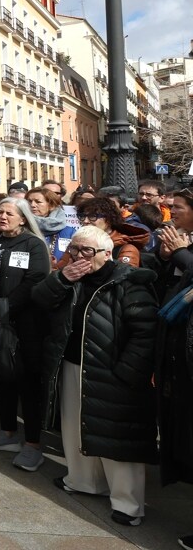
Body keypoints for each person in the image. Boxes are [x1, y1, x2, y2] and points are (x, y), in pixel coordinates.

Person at [34, 225, 157, 527]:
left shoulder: (130, 282)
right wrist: (62, 278)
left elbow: (146, 333)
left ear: (106, 253)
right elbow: (40, 300)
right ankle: (82, 481)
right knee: (74, 427)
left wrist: (126, 373)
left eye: (85, 250)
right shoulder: (71, 277)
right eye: (73, 248)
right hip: (73, 364)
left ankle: (128, 505)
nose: (76, 255)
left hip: (112, 374)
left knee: (118, 439)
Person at [0, 197, 50, 471]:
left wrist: (1, 306)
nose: (3, 217)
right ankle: (7, 433)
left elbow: (35, 280)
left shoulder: (33, 245)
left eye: (9, 213)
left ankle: (32, 444)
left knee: (28, 386)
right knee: (3, 380)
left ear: (23, 218)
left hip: (25, 326)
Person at [155, 189, 193, 548]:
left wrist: (181, 253)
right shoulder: (181, 246)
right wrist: (168, 257)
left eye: (178, 208)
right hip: (177, 355)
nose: (170, 213)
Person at [75, 196, 149, 268]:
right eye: (82, 216)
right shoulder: (76, 243)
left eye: (93, 216)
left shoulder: (126, 249)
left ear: (109, 219)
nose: (85, 221)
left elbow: (123, 276)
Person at [26, 187, 77, 265]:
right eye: (29, 201)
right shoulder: (20, 229)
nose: (32, 205)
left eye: (38, 202)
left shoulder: (70, 232)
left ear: (51, 205)